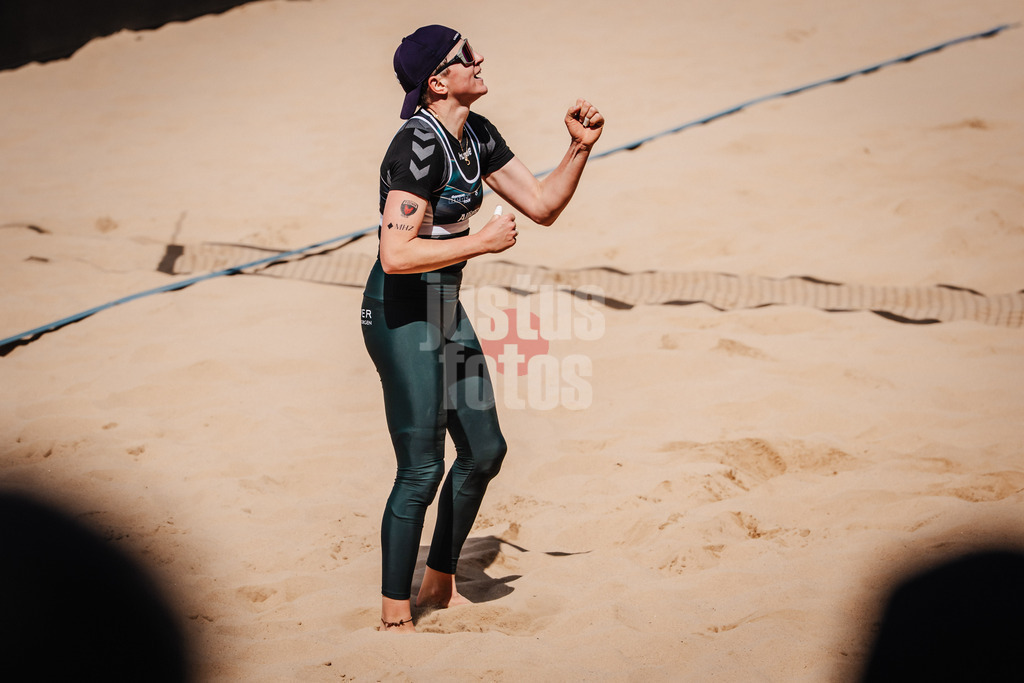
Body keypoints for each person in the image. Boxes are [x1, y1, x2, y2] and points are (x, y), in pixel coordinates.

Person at [360, 24, 604, 633]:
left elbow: (543, 206)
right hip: (399, 310)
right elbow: (395, 255)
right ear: (438, 81)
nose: (479, 59)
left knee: (485, 452)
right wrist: (480, 242)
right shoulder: (416, 146)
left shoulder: (478, 136)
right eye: (465, 56)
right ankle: (395, 619)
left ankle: (440, 582)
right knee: (421, 468)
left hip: (445, 306)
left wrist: (579, 147)